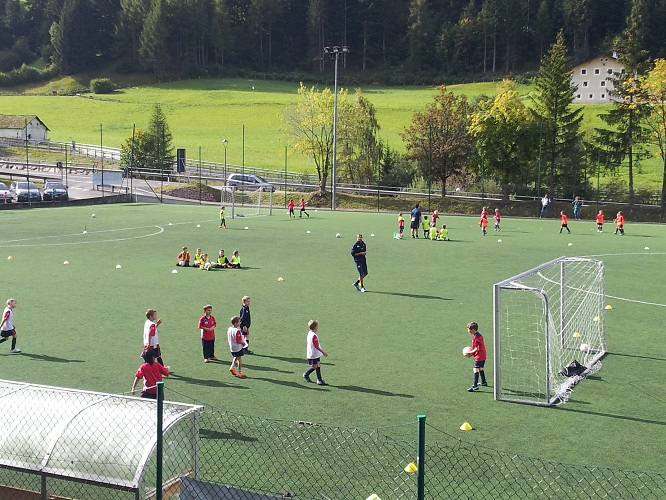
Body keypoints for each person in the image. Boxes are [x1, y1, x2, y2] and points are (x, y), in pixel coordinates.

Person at [303, 320, 328, 386]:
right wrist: (323, 352)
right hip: (313, 354)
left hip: (315, 353)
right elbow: (316, 346)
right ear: (316, 327)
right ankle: (306, 374)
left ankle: (319, 379)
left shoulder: (310, 333)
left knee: (318, 365)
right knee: (315, 366)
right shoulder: (314, 335)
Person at [465, 321, 487, 392]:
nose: (468, 331)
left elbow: (477, 348)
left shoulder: (476, 337)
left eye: (468, 329)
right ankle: (484, 382)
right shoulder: (478, 335)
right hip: (482, 355)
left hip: (479, 356)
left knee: (475, 369)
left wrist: (469, 352)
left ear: (473, 330)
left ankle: (475, 385)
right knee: (480, 368)